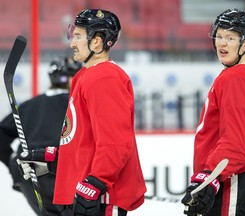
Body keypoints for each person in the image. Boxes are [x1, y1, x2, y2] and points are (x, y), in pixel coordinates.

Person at [48, 9, 145, 216]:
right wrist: (52, 156)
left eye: (78, 36)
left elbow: (116, 142)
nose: (72, 43)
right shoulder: (85, 75)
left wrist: (96, 182)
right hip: (83, 193)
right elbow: (83, 138)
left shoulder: (104, 77)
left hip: (101, 197)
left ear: (97, 42)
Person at [181, 8, 245, 216]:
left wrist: (209, 177)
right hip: (231, 177)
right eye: (219, 36)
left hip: (232, 179)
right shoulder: (242, 76)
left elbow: (237, 141)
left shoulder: (237, 78)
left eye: (230, 38)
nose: (221, 43)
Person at [0, 56, 82, 216]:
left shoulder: (30, 105)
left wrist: (13, 164)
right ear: (71, 78)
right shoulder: (77, 104)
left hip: (28, 172)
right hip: (62, 172)